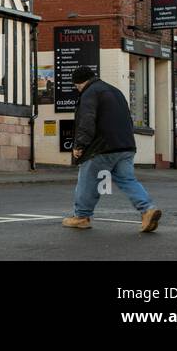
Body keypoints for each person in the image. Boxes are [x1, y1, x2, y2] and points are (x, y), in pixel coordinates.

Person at [62, 66, 162, 233]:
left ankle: (81, 217)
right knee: (127, 180)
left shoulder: (89, 93)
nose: (77, 89)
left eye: (76, 86)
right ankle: (147, 210)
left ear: (80, 82)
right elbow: (128, 119)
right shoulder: (115, 91)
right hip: (126, 145)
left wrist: (80, 145)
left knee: (87, 180)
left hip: (102, 147)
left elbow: (87, 121)